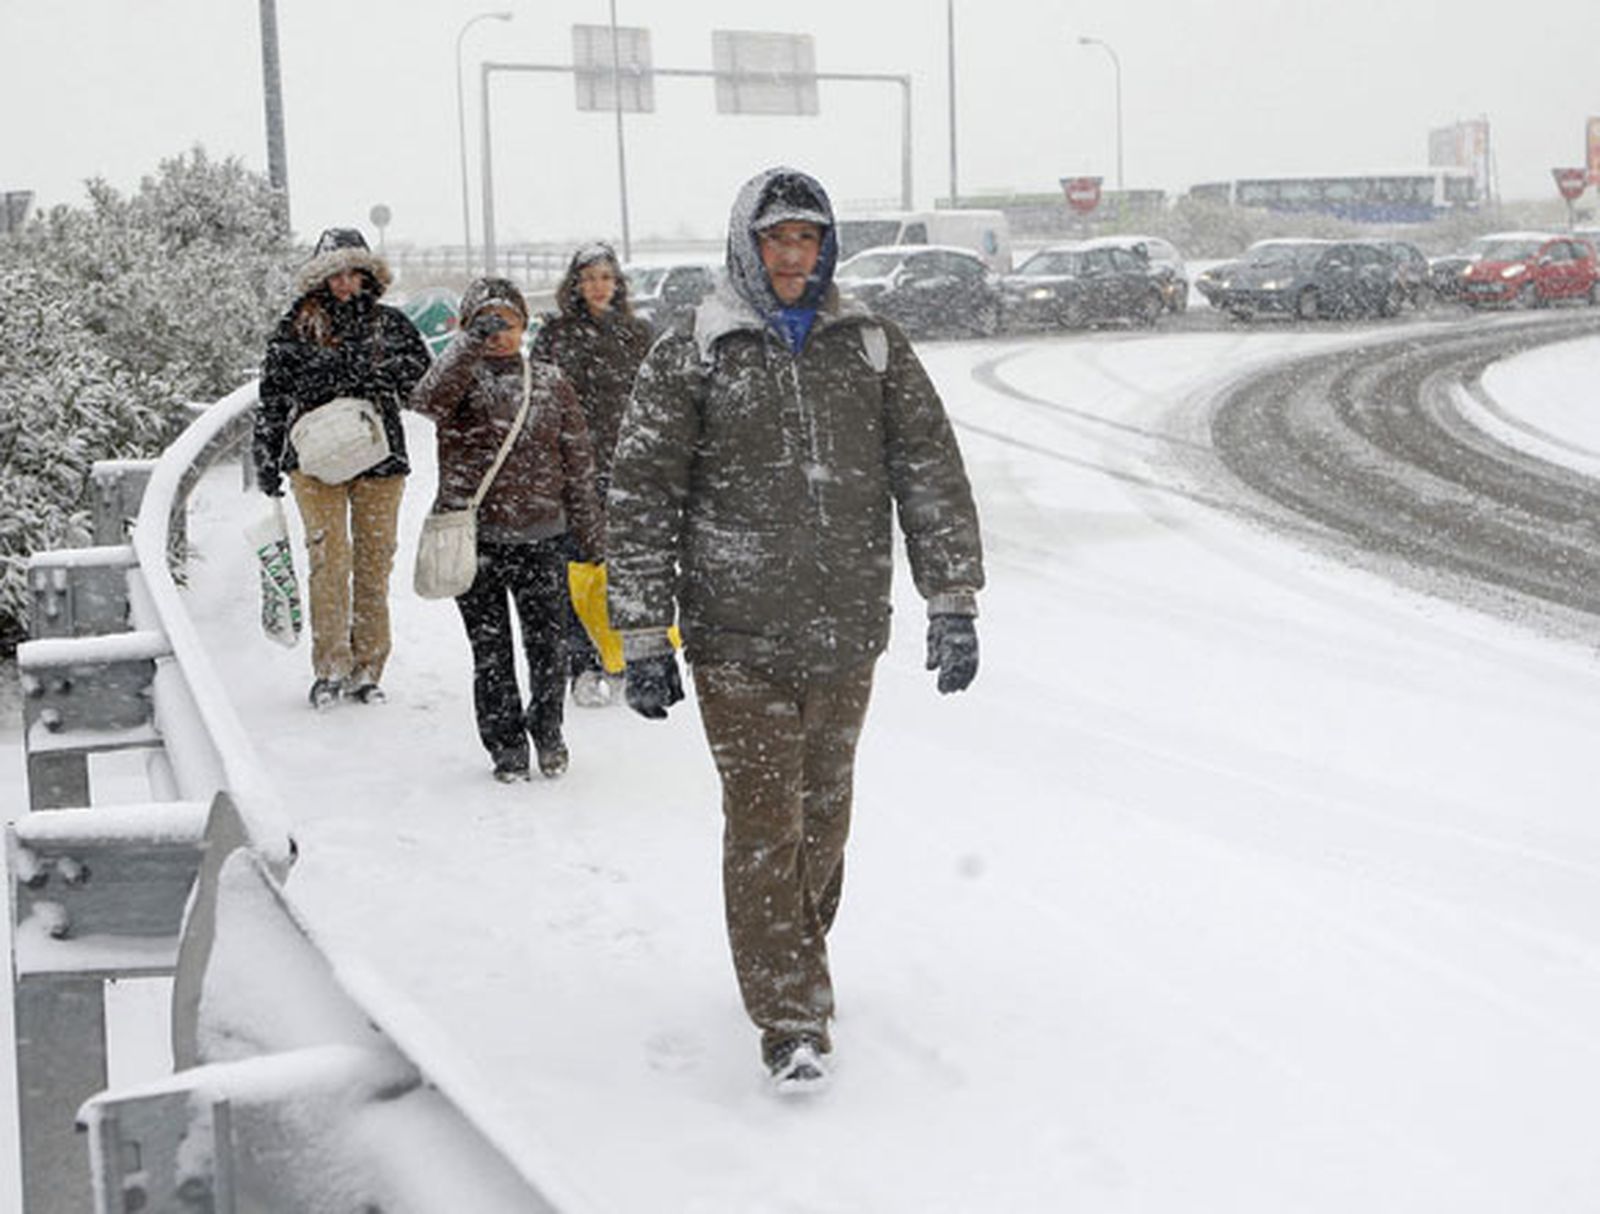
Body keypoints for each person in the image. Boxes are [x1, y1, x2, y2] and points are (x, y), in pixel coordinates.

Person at [605, 167, 985, 1092]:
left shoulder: (872, 346)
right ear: (747, 245)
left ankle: (794, 946)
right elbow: (642, 495)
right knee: (766, 821)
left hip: (847, 628)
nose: (791, 255)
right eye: (776, 239)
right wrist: (645, 633)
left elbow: (928, 470)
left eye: (807, 239)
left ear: (827, 248)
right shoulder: (693, 353)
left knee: (823, 818)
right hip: (735, 635)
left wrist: (953, 598)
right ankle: (790, 1016)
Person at [409, 277, 605, 783]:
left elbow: (578, 459)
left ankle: (549, 732)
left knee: (548, 647)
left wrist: (589, 531)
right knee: (490, 653)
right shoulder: (460, 381)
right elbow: (425, 401)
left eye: (508, 322)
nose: (500, 333)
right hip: (476, 541)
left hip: (542, 537)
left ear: (524, 324)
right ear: (467, 327)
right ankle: (507, 747)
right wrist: (468, 345)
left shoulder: (550, 380)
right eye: (486, 323)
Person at [255, 227, 431, 709]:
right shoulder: (296, 326)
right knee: (329, 564)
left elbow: (422, 386)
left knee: (374, 565)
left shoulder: (391, 326)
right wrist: (267, 455)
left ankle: (368, 669)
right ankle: (330, 667)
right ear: (320, 277)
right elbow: (273, 395)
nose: (345, 283)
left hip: (380, 460)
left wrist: (386, 372)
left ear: (369, 275)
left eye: (354, 273)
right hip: (314, 463)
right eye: (336, 273)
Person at [529, 242, 653, 707]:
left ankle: (622, 658)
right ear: (575, 285)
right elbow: (541, 401)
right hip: (570, 467)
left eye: (606, 277)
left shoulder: (638, 333)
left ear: (617, 283)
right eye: (589, 278)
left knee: (624, 568)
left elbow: (655, 400)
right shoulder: (556, 335)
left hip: (628, 465)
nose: (599, 286)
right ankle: (581, 662)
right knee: (575, 568)